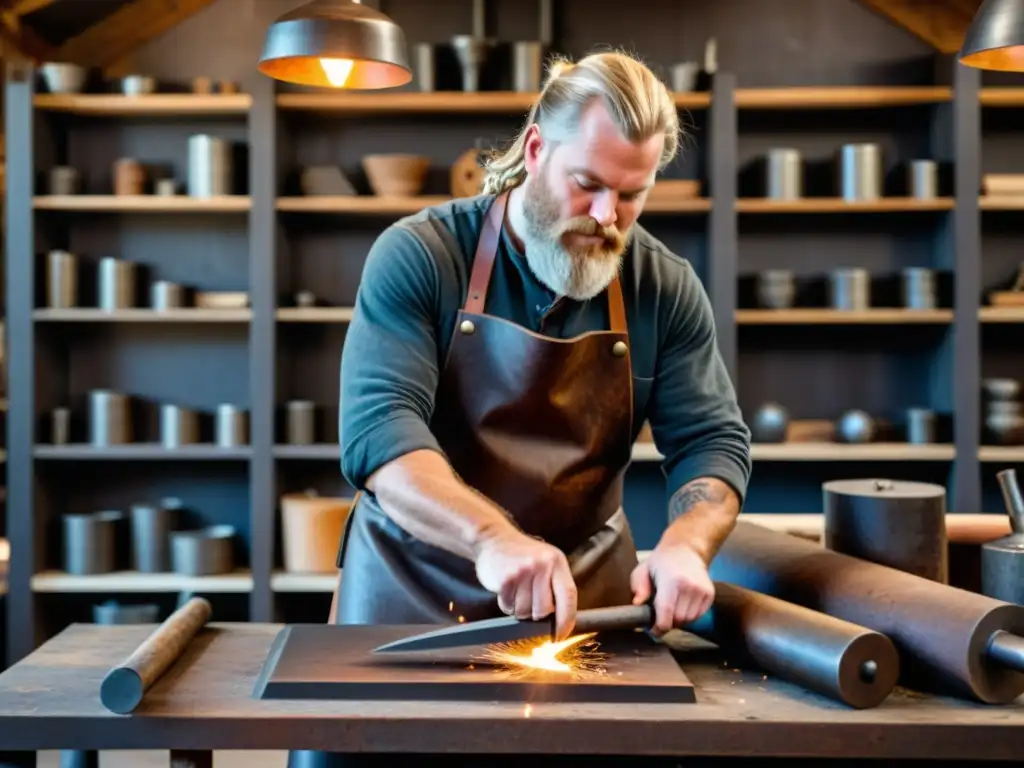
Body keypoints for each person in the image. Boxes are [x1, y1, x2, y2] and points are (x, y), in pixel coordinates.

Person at [288, 49, 752, 768]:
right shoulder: (421, 256)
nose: (607, 218)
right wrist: (493, 540)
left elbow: (713, 443)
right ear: (536, 149)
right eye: (588, 184)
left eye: (633, 195)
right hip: (410, 602)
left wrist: (689, 543)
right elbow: (381, 435)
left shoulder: (665, 287)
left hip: (583, 614)